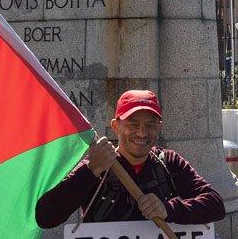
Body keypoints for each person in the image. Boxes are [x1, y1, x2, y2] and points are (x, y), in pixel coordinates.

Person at [35, 90, 225, 228]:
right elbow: (46, 217)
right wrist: (90, 171)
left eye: (150, 125)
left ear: (159, 128)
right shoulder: (97, 166)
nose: (142, 133)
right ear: (116, 126)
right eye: (133, 124)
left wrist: (169, 209)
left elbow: (215, 205)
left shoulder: (169, 162)